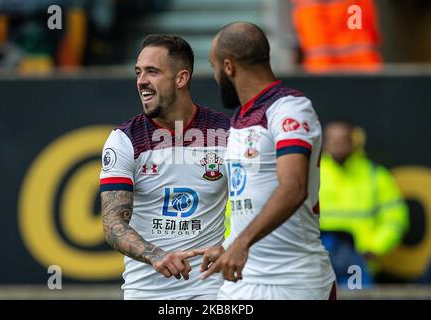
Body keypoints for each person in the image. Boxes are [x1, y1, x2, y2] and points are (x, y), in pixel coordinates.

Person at [193, 22, 336, 300]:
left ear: (229, 67)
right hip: (243, 278)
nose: (215, 77)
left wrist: (242, 243)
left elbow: (294, 187)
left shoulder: (289, 107)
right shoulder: (240, 119)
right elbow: (251, 195)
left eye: (214, 68)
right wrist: (230, 244)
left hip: (293, 282)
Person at [100, 34, 230, 300]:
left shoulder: (227, 133)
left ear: (181, 78)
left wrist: (232, 246)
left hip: (211, 289)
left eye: (152, 72)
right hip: (146, 291)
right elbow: (112, 224)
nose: (141, 81)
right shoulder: (124, 140)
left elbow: (254, 203)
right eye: (138, 72)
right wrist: (155, 255)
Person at [319, 120, 409, 284]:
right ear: (324, 143)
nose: (337, 144)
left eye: (342, 139)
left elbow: (395, 218)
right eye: (332, 140)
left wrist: (375, 247)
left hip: (360, 259)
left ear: (354, 142)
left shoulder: (375, 175)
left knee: (357, 295)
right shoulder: (313, 173)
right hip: (318, 259)